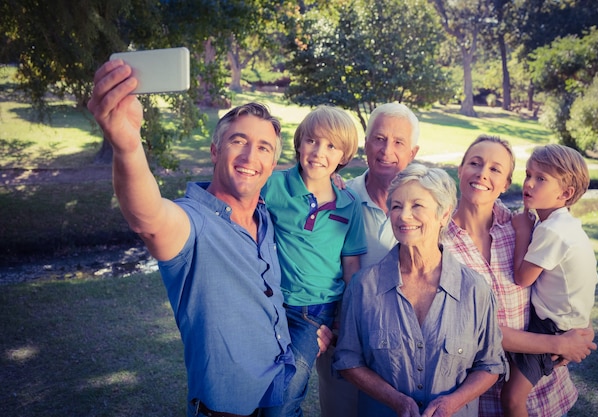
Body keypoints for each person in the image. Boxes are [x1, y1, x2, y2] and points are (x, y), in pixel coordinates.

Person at [87, 59, 332, 417]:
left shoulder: (266, 215)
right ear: (216, 151)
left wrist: (311, 338)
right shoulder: (193, 222)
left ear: (273, 161)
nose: (251, 156)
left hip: (280, 392)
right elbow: (149, 219)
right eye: (239, 141)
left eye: (264, 147)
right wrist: (127, 146)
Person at [334, 162, 508, 417]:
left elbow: (490, 365)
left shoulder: (475, 289)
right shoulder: (363, 286)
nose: (404, 215)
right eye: (396, 206)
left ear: (444, 215)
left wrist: (452, 403)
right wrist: (397, 401)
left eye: (417, 205)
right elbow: (348, 361)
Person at [441, 135, 597, 417]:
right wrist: (560, 343)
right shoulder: (438, 244)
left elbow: (572, 276)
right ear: (460, 170)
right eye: (475, 163)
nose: (482, 173)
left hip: (545, 391)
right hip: (481, 400)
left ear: (505, 184)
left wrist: (581, 328)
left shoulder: (522, 226)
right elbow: (473, 331)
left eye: (495, 169)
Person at [316, 102, 420, 417]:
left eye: (399, 142)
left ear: (413, 153)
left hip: (402, 351)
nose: (387, 150)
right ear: (366, 144)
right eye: (379, 138)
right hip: (341, 343)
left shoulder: (424, 205)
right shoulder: (337, 198)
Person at [262, 106, 367, 417]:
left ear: (343, 156)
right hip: (267, 304)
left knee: (285, 397)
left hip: (314, 313)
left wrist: (345, 322)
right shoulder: (273, 186)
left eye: (331, 146)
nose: (319, 152)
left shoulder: (349, 204)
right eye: (312, 141)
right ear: (299, 143)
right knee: (257, 387)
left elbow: (352, 269)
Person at [500, 144, 598, 417]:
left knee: (512, 398)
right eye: (529, 174)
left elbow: (522, 278)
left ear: (565, 193)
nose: (528, 183)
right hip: (566, 319)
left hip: (552, 328)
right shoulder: (563, 224)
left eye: (541, 178)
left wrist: (522, 230)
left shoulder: (552, 231)